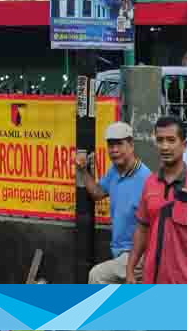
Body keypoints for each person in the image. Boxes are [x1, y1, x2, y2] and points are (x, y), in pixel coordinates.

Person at [76, 122, 150, 284]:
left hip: (138, 254)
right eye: (111, 145)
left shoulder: (146, 180)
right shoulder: (115, 171)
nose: (114, 150)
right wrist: (83, 170)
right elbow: (97, 193)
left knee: (97, 276)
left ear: (131, 145)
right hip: (120, 253)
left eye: (119, 144)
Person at [127, 116, 187, 284]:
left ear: (184, 145)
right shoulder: (150, 183)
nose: (165, 146)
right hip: (151, 281)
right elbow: (142, 229)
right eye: (160, 140)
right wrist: (130, 269)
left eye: (171, 140)